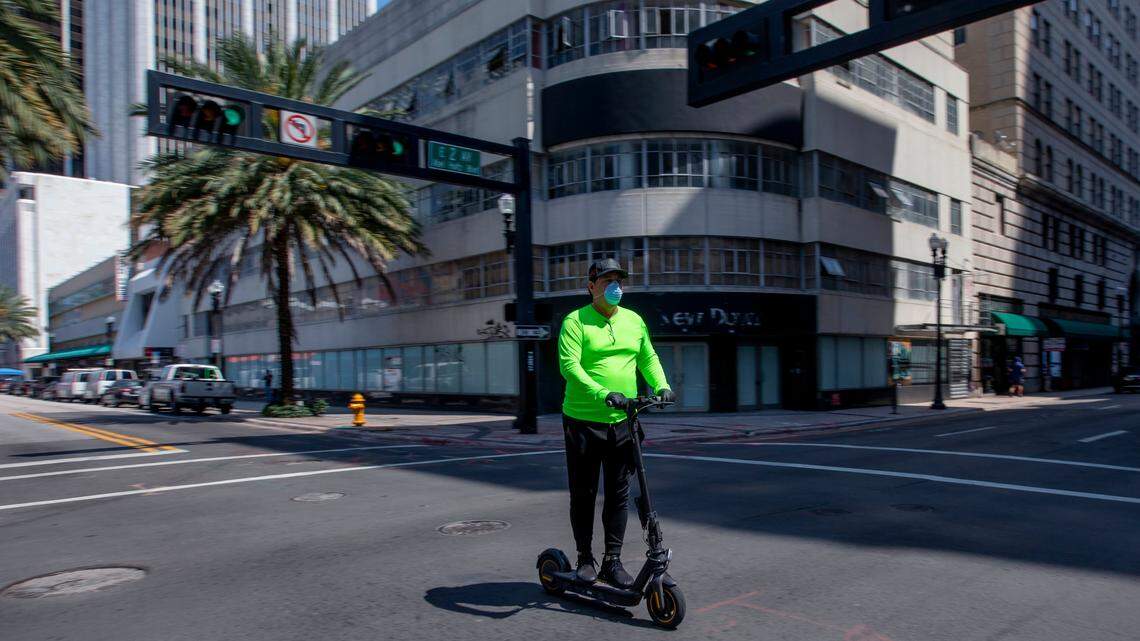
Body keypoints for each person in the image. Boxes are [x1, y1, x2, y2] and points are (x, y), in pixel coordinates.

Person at [557, 257, 675, 588]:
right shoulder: (575, 322)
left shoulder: (634, 321)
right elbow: (570, 367)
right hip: (583, 421)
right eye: (607, 280)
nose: (615, 286)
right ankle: (584, 558)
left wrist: (661, 385)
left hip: (624, 421)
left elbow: (647, 357)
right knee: (584, 492)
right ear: (591, 286)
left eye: (619, 280)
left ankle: (612, 560)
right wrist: (603, 393)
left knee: (618, 494)